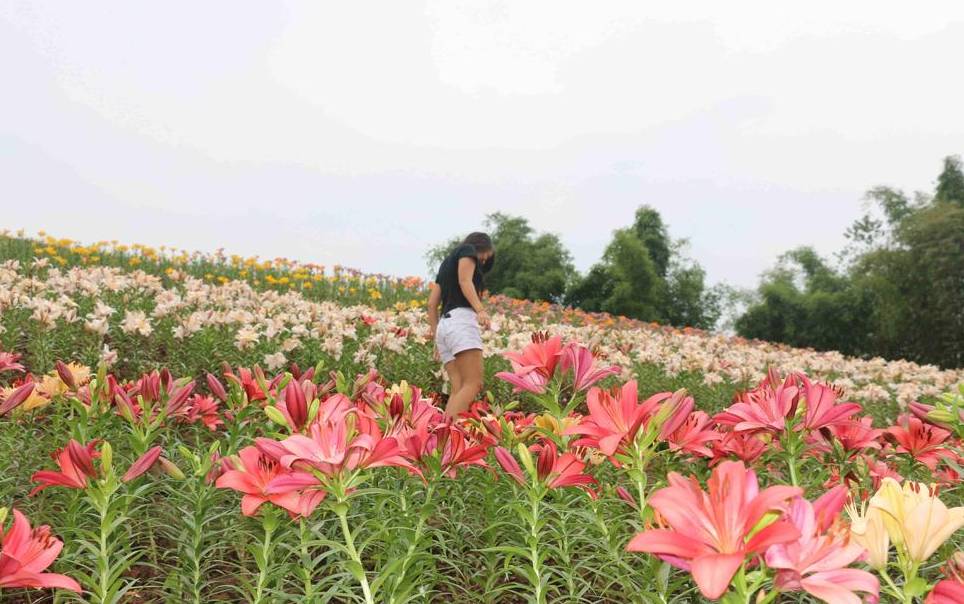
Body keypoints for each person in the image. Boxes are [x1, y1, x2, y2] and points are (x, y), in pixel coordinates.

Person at [427, 232, 495, 417]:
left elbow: (431, 304)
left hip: (444, 326)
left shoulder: (445, 265)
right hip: (461, 321)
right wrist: (480, 309)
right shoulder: (467, 250)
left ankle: (443, 439)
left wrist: (436, 340)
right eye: (484, 257)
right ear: (481, 247)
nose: (481, 261)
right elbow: (465, 281)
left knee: (458, 388)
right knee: (473, 383)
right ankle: (450, 438)